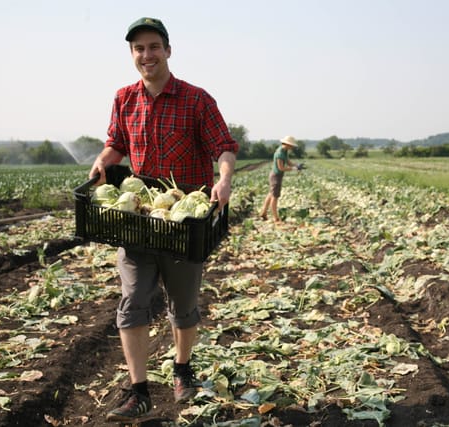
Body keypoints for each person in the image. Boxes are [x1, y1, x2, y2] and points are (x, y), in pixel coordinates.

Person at [88, 17, 238, 423]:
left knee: (183, 306)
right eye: (139, 49)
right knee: (132, 303)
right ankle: (139, 392)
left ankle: (181, 368)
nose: (146, 55)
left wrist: (223, 180)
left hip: (184, 222)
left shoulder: (196, 99)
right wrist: (102, 165)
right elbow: (115, 145)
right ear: (132, 55)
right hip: (141, 218)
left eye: (153, 47)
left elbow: (224, 147)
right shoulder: (123, 99)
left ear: (168, 50)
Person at [259, 136, 299, 222]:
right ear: (287, 144)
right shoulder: (280, 153)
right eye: (291, 145)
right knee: (275, 196)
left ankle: (264, 213)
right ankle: (276, 217)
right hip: (276, 176)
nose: (292, 147)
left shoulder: (284, 151)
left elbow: (288, 162)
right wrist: (292, 169)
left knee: (271, 194)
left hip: (277, 176)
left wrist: (296, 165)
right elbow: (281, 168)